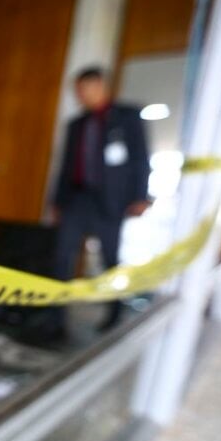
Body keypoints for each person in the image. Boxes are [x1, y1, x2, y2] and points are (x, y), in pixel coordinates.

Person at [49, 66, 152, 334]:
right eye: (78, 91)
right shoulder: (76, 125)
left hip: (109, 200)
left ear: (100, 86)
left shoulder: (127, 117)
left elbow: (140, 158)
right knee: (62, 257)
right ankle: (57, 319)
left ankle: (114, 310)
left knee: (109, 257)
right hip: (76, 198)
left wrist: (140, 196)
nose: (81, 95)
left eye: (85, 89)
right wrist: (57, 202)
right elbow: (66, 166)